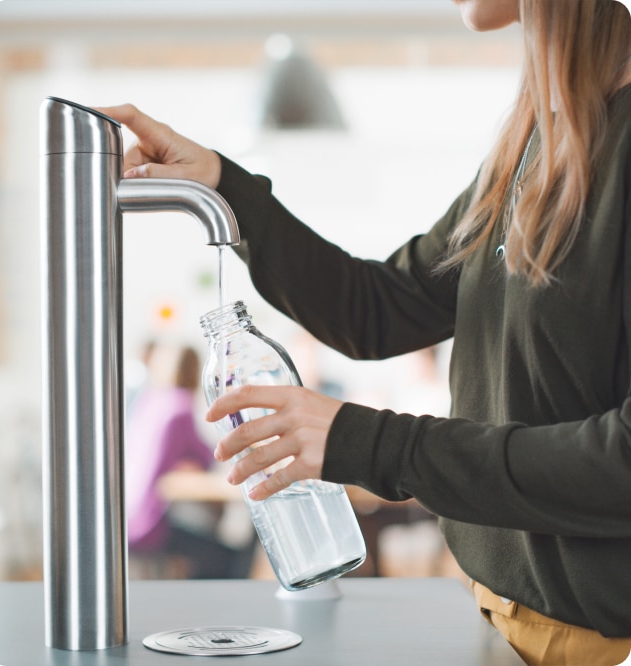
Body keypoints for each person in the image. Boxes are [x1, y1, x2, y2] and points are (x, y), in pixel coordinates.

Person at [99, 0, 631, 662]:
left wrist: (370, 442)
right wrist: (224, 188)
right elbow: (380, 307)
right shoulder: (536, 143)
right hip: (495, 619)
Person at [126, 343, 254, 579]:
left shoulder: (149, 402)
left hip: (127, 516)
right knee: (230, 557)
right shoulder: (180, 407)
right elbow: (208, 457)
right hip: (151, 525)